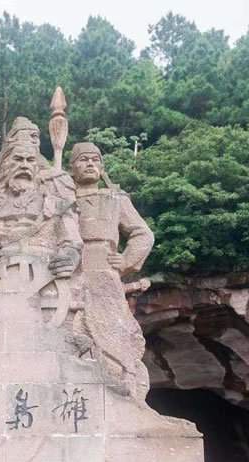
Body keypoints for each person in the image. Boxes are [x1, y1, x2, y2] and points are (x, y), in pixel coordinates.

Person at [69, 141, 154, 399]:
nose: (90, 164)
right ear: (72, 168)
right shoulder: (62, 197)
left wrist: (126, 260)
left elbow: (143, 234)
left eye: (95, 159)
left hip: (104, 268)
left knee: (113, 329)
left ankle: (124, 383)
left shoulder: (115, 198)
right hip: (69, 268)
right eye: (83, 159)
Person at [0, 132, 81, 280]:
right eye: (18, 159)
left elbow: (73, 244)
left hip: (45, 273)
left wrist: (69, 260)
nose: (24, 165)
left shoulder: (56, 203)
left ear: (36, 167)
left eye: (30, 160)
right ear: (5, 164)